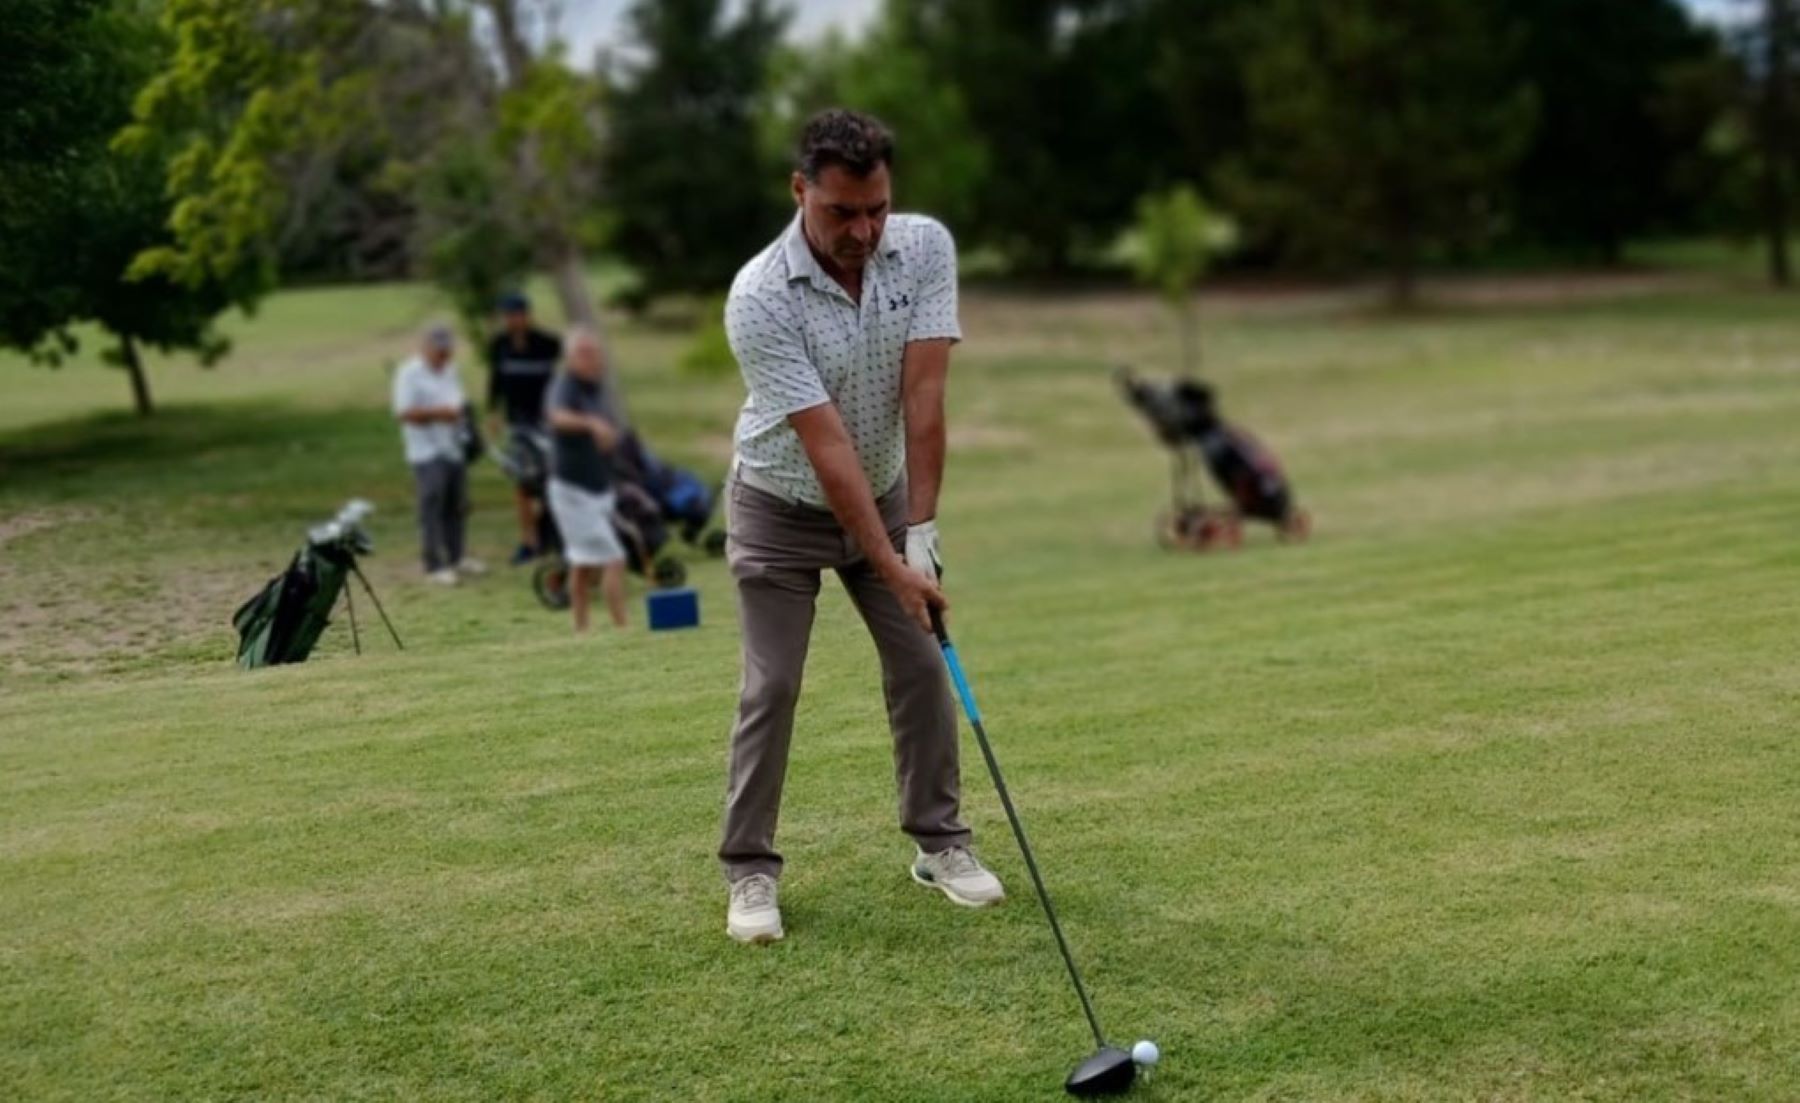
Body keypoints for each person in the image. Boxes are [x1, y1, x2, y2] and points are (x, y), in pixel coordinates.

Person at [717, 109, 1003, 945]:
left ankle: (940, 844)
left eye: (876, 207)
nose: (864, 229)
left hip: (883, 495)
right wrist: (892, 560)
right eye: (843, 212)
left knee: (921, 664)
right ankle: (749, 870)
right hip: (777, 505)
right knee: (772, 685)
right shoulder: (759, 296)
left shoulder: (923, 249)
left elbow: (924, 398)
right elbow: (827, 443)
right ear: (801, 190)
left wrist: (923, 531)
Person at [544, 327, 629, 632]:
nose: (595, 360)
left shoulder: (595, 389)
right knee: (614, 557)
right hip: (571, 489)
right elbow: (557, 417)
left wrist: (608, 436)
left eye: (596, 353)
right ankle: (622, 627)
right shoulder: (565, 385)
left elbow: (609, 429)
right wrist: (591, 424)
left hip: (596, 488)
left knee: (582, 563)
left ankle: (581, 629)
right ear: (572, 357)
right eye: (587, 354)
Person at [391, 324, 485, 585]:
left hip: (454, 447)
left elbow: (459, 403)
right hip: (426, 450)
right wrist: (439, 414)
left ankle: (457, 556)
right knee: (432, 504)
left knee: (457, 505)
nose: (444, 356)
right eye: (439, 351)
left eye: (447, 351)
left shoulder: (450, 371)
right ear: (426, 349)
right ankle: (433, 563)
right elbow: (404, 413)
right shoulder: (410, 373)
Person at [486, 292, 563, 565]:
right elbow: (495, 380)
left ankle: (549, 536)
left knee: (549, 481)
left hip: (546, 423)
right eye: (507, 315)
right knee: (522, 484)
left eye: (516, 314)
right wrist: (493, 412)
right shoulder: (499, 345)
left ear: (527, 315)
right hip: (517, 423)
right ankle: (528, 542)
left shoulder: (548, 344)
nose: (512, 320)